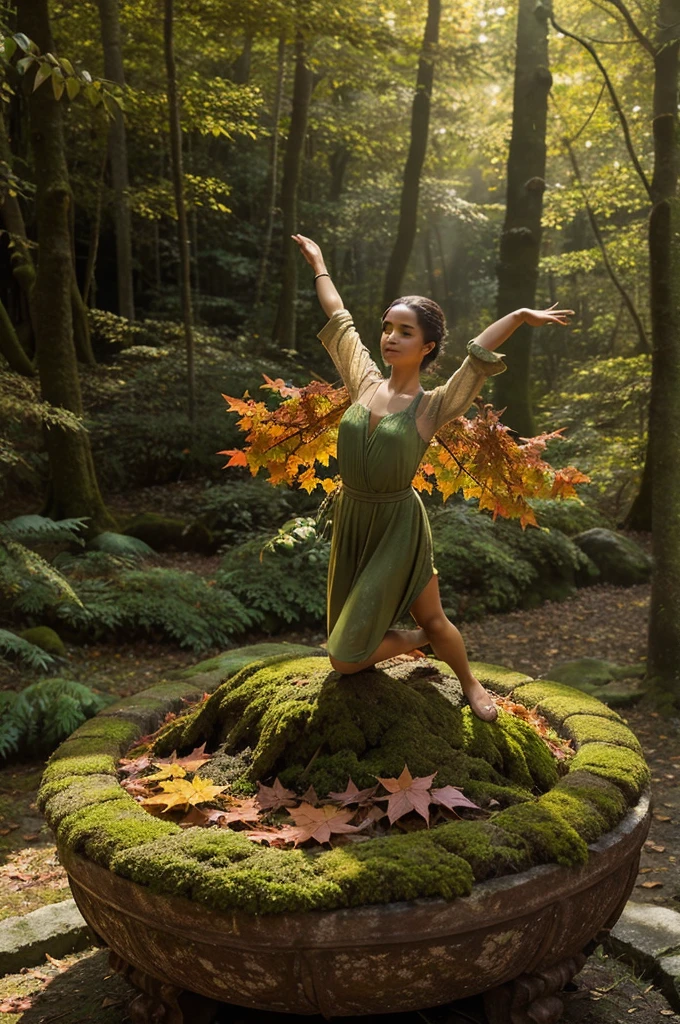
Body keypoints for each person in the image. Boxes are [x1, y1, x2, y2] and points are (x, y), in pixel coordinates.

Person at [292, 233, 574, 722]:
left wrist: (520, 317)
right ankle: (420, 641)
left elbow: (476, 357)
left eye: (404, 331)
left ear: (427, 347)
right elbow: (339, 318)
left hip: (398, 526)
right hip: (354, 518)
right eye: (388, 327)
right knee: (345, 642)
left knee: (364, 649)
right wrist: (318, 263)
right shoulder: (362, 380)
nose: (390, 337)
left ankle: (468, 681)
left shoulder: (433, 406)